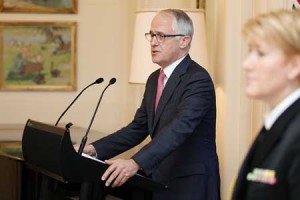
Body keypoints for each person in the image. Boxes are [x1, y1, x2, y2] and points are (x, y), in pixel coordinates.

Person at [77, 9, 220, 200]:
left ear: (184, 41)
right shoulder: (154, 79)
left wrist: (136, 162)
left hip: (189, 184)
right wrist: (93, 149)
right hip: (159, 179)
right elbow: (138, 128)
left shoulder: (197, 79)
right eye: (152, 35)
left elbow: (179, 129)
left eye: (161, 36)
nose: (153, 42)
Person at [232, 9, 300, 200]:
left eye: (260, 54)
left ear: (294, 66)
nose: (246, 64)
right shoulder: (279, 121)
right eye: (250, 51)